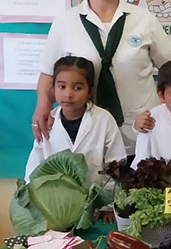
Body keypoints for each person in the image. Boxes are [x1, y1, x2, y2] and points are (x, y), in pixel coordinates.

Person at [32, 0, 171, 154]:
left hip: (142, 130)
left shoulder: (144, 20)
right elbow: (48, 73)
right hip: (89, 134)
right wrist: (42, 106)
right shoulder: (66, 22)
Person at [25, 56, 126, 187]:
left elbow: (116, 165)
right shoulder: (48, 121)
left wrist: (105, 200)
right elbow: (34, 168)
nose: (68, 94)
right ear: (53, 88)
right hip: (55, 201)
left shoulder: (104, 120)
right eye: (61, 86)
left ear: (90, 91)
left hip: (96, 201)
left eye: (77, 88)